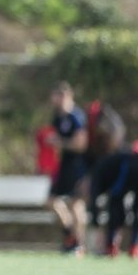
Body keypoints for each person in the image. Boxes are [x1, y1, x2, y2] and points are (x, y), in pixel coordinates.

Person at [88, 136, 138, 259]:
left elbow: (98, 197)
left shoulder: (104, 166)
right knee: (136, 207)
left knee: (115, 203)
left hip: (129, 169)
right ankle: (134, 246)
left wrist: (95, 222)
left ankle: (111, 245)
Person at [43, 82, 89, 255]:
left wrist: (60, 143)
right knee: (51, 201)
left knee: (76, 204)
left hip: (77, 166)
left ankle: (80, 245)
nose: (54, 100)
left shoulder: (76, 117)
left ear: (66, 96)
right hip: (63, 166)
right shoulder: (57, 117)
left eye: (56, 96)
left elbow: (81, 144)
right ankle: (71, 236)